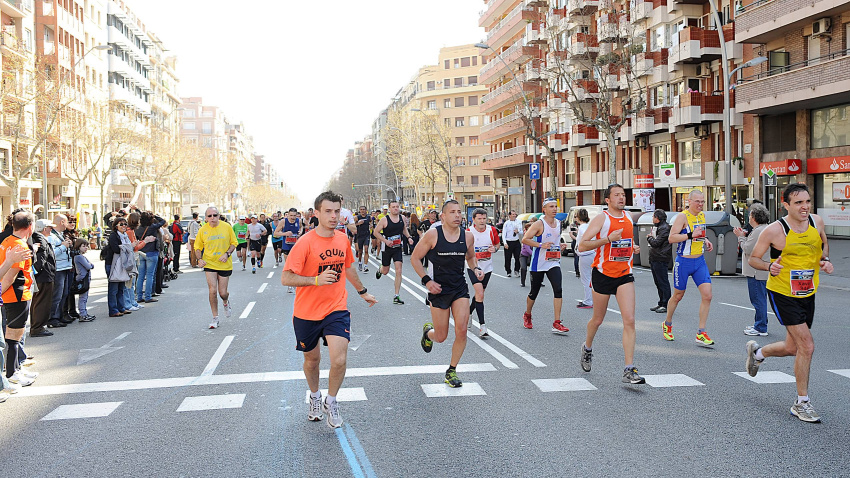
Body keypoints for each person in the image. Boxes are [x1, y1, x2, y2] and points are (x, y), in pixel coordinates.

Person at [281, 191, 377, 429]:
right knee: (312, 361)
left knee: (340, 358)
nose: (334, 216)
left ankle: (331, 401)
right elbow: (286, 278)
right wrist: (315, 280)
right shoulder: (305, 243)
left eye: (337, 211)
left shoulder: (342, 239)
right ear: (317, 213)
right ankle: (314, 396)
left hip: (336, 308)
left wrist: (363, 292)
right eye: (328, 211)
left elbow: (348, 269)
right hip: (306, 312)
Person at [744, 183, 833, 423]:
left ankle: (758, 353)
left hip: (807, 291)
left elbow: (822, 245)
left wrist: (824, 260)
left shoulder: (816, 222)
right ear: (786, 205)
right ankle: (801, 402)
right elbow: (753, 258)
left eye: (807, 202)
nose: (804, 207)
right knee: (807, 345)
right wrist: (769, 266)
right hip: (783, 292)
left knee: (793, 347)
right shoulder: (775, 231)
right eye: (798, 203)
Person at [411, 200, 484, 388]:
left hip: (459, 288)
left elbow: (470, 257)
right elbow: (415, 258)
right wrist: (427, 281)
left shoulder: (467, 237)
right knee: (441, 336)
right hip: (438, 289)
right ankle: (428, 334)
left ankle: (451, 370)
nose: (457, 215)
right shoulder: (432, 235)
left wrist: (475, 269)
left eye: (459, 212)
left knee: (461, 329)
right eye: (452, 212)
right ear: (443, 216)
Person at [578, 184, 645, 384]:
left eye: (623, 195)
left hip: (624, 273)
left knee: (630, 320)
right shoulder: (602, 219)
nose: (621, 198)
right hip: (603, 273)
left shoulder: (628, 218)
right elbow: (582, 245)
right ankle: (587, 347)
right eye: (616, 195)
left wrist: (632, 247)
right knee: (597, 320)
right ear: (607, 200)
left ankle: (628, 369)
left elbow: (623, 243)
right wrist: (607, 239)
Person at [663, 189, 715, 347]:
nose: (700, 204)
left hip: (699, 261)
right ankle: (668, 324)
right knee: (678, 296)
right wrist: (691, 235)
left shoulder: (702, 215)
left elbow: (699, 232)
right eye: (697, 201)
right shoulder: (682, 217)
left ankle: (701, 332)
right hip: (683, 262)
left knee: (707, 296)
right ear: (689, 201)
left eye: (702, 201)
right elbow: (671, 238)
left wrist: (705, 239)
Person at [521, 198, 569, 334]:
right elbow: (525, 239)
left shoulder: (559, 223)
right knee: (534, 292)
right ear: (545, 209)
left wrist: (560, 246)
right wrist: (541, 245)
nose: (554, 209)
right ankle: (527, 315)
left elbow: (554, 241)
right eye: (551, 207)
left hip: (553, 261)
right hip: (538, 263)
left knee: (558, 289)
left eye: (556, 206)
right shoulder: (538, 224)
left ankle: (557, 322)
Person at [0, 211, 37, 386]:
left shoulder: (8, 240)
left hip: (15, 294)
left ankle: (16, 369)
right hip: (16, 295)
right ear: (30, 226)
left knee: (13, 336)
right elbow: (9, 277)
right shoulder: (19, 246)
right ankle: (12, 373)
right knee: (14, 336)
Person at [195, 207, 238, 329]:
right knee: (212, 290)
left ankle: (225, 302)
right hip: (210, 264)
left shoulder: (227, 227)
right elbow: (197, 247)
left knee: (222, 293)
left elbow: (234, 243)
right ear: (206, 218)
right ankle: (215, 318)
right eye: (209, 216)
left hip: (224, 263)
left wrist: (227, 254)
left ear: (219, 216)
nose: (212, 218)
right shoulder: (203, 230)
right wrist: (199, 259)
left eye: (215, 215)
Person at [0, 244, 33, 400]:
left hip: (11, 297)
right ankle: (10, 375)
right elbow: (7, 277)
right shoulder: (13, 242)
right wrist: (9, 261)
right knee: (10, 339)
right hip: (13, 297)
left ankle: (3, 382)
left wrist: (8, 261)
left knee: (3, 344)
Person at [734, 203, 771, 336]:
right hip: (761, 270)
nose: (749, 217)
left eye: (750, 215)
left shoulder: (758, 231)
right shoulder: (764, 229)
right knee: (760, 298)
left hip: (756, 271)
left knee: (757, 299)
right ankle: (760, 324)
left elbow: (747, 248)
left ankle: (761, 327)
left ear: (754, 217)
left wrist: (740, 236)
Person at [467, 208, 500, 338]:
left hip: (487, 267)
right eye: (479, 219)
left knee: (479, 295)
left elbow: (497, 244)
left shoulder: (491, 230)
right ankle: (483, 326)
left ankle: (469, 312)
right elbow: (465, 253)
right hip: (473, 267)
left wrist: (495, 249)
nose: (482, 221)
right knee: (480, 294)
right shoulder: (468, 232)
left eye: (484, 218)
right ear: (473, 220)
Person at [373, 200, 414, 305]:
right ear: (389, 209)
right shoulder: (384, 220)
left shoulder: (402, 218)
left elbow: (404, 229)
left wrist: (409, 237)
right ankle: (380, 269)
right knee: (386, 271)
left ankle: (396, 295)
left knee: (398, 271)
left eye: (397, 207)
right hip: (387, 248)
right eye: (393, 207)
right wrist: (385, 241)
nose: (396, 208)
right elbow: (375, 232)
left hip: (397, 247)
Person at [47, 214, 74, 326]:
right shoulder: (51, 236)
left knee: (64, 293)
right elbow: (51, 253)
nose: (68, 224)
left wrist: (67, 244)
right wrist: (63, 246)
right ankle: (53, 318)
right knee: (57, 294)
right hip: (58, 268)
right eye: (67, 222)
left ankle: (60, 315)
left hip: (65, 267)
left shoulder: (59, 235)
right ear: (62, 222)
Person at [30, 220, 56, 336]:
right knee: (42, 302)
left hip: (43, 275)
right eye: (50, 227)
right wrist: (36, 271)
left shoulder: (36, 237)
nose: (51, 230)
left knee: (38, 302)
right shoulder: (39, 238)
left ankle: (37, 326)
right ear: (44, 228)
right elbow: (41, 258)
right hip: (43, 276)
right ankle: (38, 327)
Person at [135, 212, 165, 303]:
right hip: (151, 252)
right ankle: (148, 296)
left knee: (140, 276)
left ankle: (139, 296)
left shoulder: (138, 229)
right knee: (150, 275)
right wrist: (154, 216)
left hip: (141, 252)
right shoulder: (152, 227)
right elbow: (163, 221)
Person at [646, 209, 672, 314]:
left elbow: (656, 243)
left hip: (661, 258)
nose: (652, 219)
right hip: (655, 257)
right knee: (658, 282)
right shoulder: (659, 227)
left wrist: (649, 238)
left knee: (663, 282)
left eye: (653, 217)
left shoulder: (664, 228)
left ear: (657, 218)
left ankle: (666, 304)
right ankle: (661, 302)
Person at [274, 208, 302, 293]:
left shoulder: (299, 221)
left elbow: (301, 227)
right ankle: (290, 285)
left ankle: (295, 283)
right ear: (288, 215)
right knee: (289, 265)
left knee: (296, 265)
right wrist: (285, 234)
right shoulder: (283, 222)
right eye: (291, 215)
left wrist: (300, 232)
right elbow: (275, 233)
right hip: (286, 246)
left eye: (294, 215)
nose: (293, 217)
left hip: (296, 246)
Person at [574, 209, 594, 309]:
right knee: (592, 279)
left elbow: (583, 240)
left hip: (585, 254)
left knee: (586, 279)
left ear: (578, 217)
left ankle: (588, 301)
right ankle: (590, 299)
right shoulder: (589, 226)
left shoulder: (582, 228)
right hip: (592, 253)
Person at [72, 239, 95, 322]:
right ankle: (82, 314)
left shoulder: (82, 256)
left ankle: (84, 313)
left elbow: (91, 265)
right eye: (83, 246)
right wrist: (90, 265)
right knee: (83, 298)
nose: (86, 248)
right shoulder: (79, 257)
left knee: (85, 297)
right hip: (82, 279)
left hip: (85, 278)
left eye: (86, 246)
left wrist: (90, 265)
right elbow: (89, 266)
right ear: (78, 246)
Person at [501, 210, 522, 277]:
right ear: (509, 215)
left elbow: (522, 232)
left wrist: (518, 231)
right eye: (512, 214)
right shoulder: (506, 223)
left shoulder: (519, 222)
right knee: (508, 258)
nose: (514, 215)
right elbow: (503, 234)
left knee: (518, 257)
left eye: (515, 214)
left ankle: (517, 270)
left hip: (516, 241)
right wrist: (505, 243)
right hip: (508, 241)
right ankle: (508, 271)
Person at [353, 206, 372, 273]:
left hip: (366, 235)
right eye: (361, 209)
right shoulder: (357, 217)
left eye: (363, 209)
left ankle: (366, 266)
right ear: (359, 210)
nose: (362, 211)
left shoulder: (368, 217)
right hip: (359, 235)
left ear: (366, 210)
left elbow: (371, 223)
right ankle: (360, 262)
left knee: (366, 249)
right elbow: (353, 225)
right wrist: (358, 223)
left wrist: (371, 226)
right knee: (360, 251)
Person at [519, 222, 532, 287]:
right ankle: (522, 282)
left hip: (531, 255)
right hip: (524, 255)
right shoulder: (525, 237)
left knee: (536, 269)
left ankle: (538, 282)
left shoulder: (535, 237)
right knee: (523, 268)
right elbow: (528, 249)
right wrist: (534, 254)